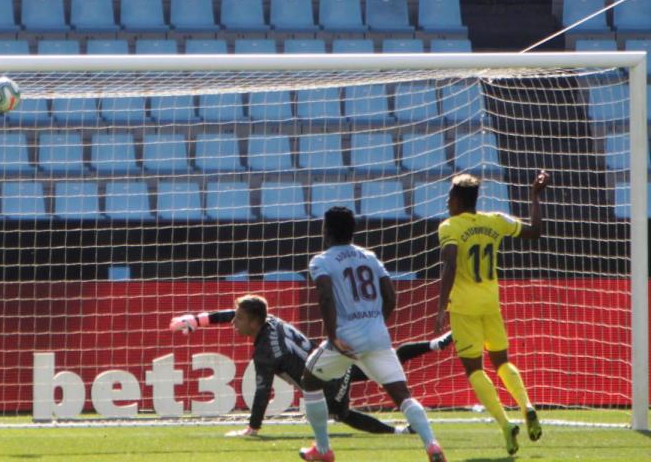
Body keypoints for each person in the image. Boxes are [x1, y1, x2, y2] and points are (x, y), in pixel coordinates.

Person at [169, 295, 452, 437]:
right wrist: (199, 320)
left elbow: (262, 393)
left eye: (239, 320)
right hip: (331, 360)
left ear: (253, 322)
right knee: (384, 358)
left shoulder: (267, 352)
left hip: (324, 378)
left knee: (341, 413)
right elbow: (238, 311)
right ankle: (435, 345)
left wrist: (252, 429)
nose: (234, 323)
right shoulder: (269, 319)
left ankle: (399, 433)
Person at [300, 207, 444, 462]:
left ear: (326, 231)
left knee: (310, 380)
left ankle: (323, 450)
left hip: (345, 339)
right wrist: (374, 323)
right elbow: (390, 297)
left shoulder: (320, 261)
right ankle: (432, 445)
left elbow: (325, 296)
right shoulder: (370, 257)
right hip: (377, 335)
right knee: (402, 395)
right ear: (353, 231)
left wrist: (333, 336)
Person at [432, 171, 549, 455]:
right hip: (490, 303)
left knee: (474, 369)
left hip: (463, 309)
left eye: (450, 196)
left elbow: (449, 264)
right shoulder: (496, 220)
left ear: (458, 199)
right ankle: (527, 405)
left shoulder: (449, 227)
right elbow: (535, 231)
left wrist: (439, 308)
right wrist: (535, 195)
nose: (447, 201)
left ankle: (506, 425)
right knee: (502, 362)